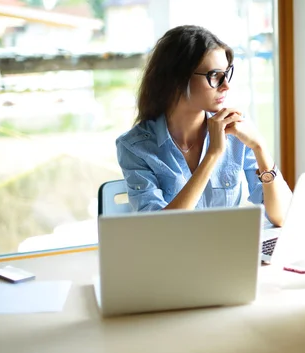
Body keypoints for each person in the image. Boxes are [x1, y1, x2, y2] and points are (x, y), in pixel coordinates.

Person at [116, 25, 292, 226]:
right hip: (174, 256)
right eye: (215, 75)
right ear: (176, 79)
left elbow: (283, 217)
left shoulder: (235, 129)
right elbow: (161, 230)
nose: (226, 85)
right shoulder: (134, 147)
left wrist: (260, 148)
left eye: (227, 73)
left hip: (227, 251)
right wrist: (213, 154)